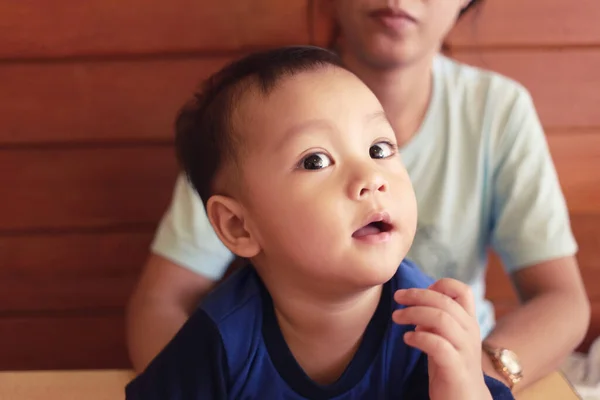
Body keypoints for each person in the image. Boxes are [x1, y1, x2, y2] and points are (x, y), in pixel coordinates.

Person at [126, 0, 590, 393]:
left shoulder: (424, 332)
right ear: (237, 225)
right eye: (315, 161)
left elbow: (563, 300)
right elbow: (162, 302)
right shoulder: (251, 118)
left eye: (381, 150)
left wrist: (468, 374)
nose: (371, 178)